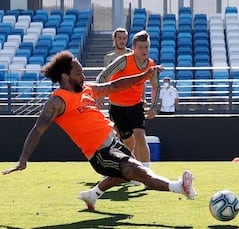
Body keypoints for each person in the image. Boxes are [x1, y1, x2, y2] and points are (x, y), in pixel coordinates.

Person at [1, 51, 197, 211]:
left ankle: (92, 195)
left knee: (122, 175)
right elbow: (37, 130)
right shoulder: (57, 101)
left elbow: (115, 85)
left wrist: (144, 76)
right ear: (64, 77)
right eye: (78, 73)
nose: (83, 76)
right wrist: (23, 160)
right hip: (99, 152)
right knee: (138, 171)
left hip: (113, 142)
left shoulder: (87, 88)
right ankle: (179, 187)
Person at [96, 30, 159, 173]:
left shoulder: (151, 65)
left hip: (136, 106)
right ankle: (128, 170)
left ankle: (147, 174)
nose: (144, 50)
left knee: (140, 135)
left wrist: (153, 106)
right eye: (141, 47)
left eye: (146, 47)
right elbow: (102, 76)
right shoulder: (124, 60)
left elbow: (156, 86)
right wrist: (100, 97)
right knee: (128, 143)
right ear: (134, 48)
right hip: (117, 108)